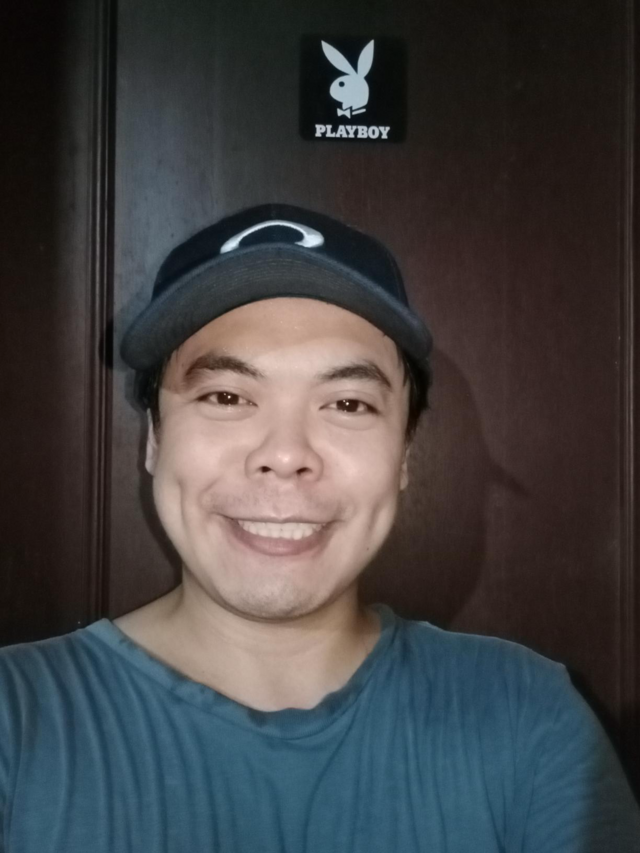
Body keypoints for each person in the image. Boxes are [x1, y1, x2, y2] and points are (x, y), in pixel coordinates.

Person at [0, 204, 638, 852]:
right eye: (226, 396)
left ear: (405, 454)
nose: (285, 454)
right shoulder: (15, 716)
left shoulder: (527, 716)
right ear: (154, 440)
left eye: (347, 403)